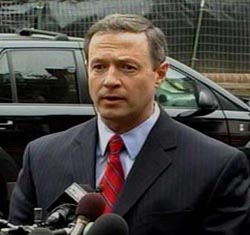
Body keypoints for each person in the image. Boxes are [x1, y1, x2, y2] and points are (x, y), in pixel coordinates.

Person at [9, 14, 250, 234]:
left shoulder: (216, 166)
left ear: (160, 74)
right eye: (99, 67)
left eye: (127, 67)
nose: (110, 80)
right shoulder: (41, 156)